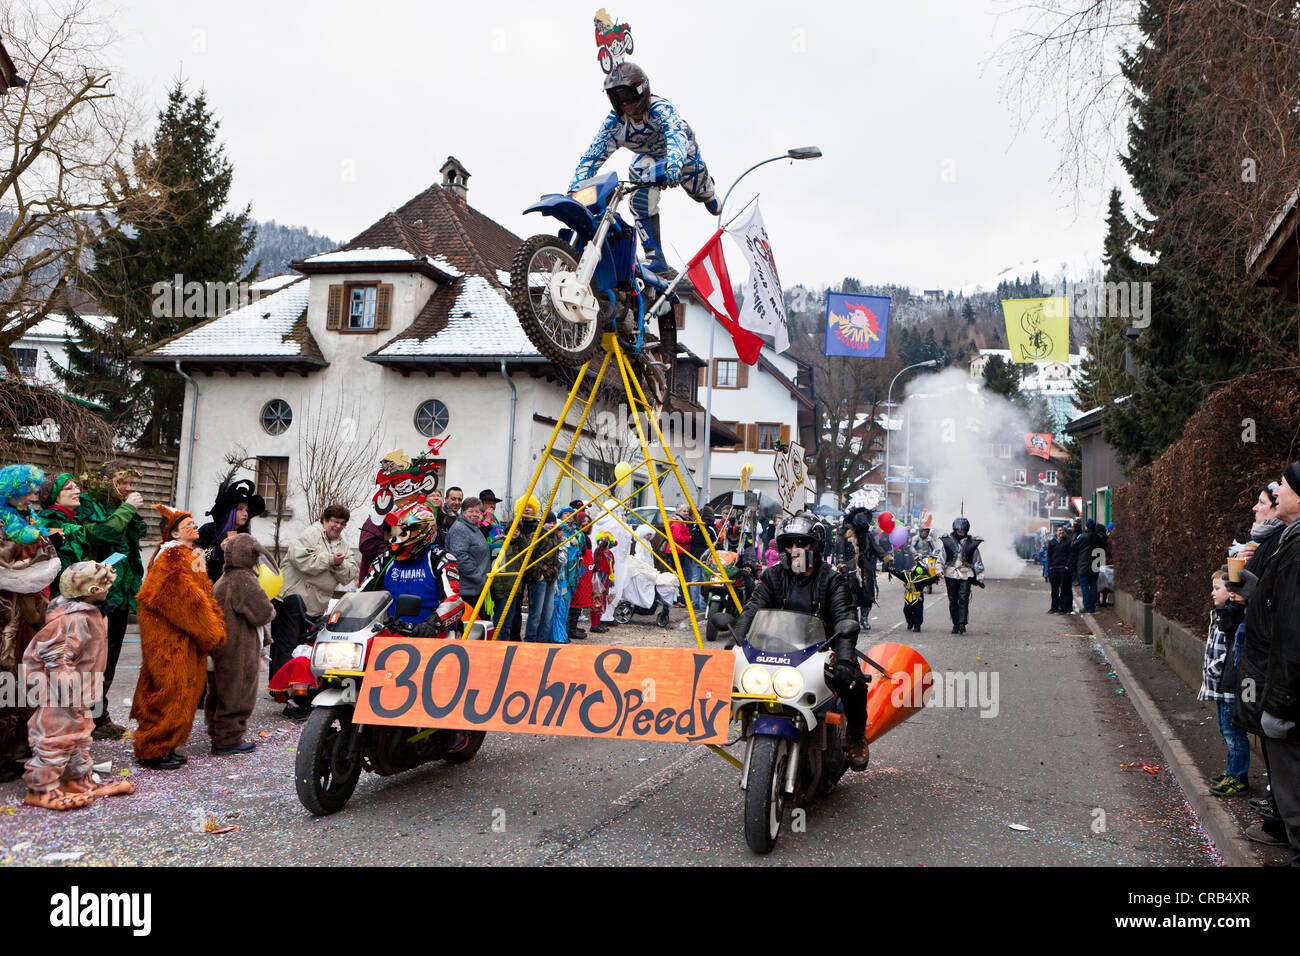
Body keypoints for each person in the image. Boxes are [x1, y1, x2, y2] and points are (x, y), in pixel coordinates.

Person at [731, 512, 869, 770]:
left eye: (802, 543)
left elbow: (844, 619)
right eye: (789, 543)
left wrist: (846, 661)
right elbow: (752, 610)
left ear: (816, 546)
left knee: (853, 683)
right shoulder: (773, 577)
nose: (794, 549)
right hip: (776, 650)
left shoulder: (832, 580)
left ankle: (856, 736)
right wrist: (735, 643)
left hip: (822, 652)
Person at [570, 61, 719, 275]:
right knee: (639, 176)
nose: (626, 104)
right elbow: (593, 155)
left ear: (641, 91)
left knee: (701, 192)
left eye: (628, 96)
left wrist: (675, 163)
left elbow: (675, 133)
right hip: (649, 158)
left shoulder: (660, 108)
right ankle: (654, 257)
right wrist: (574, 190)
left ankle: (708, 192)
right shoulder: (615, 123)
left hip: (682, 155)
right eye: (618, 99)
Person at [22, 561, 136, 810]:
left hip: (78, 689)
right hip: (59, 691)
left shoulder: (92, 613)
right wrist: (69, 693)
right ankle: (40, 789)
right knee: (56, 736)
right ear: (91, 590)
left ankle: (77, 779)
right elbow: (57, 658)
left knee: (79, 734)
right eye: (105, 586)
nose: (109, 589)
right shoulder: (74, 620)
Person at [1233, 462, 1300, 863]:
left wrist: (1280, 699)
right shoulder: (1289, 540)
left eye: (1284, 489)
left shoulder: (1294, 546)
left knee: (1293, 794)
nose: (1277, 495)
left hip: (1285, 690)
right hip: (1276, 678)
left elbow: (1291, 629)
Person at [132, 505, 226, 770]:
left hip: (183, 635)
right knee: (169, 689)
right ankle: (153, 748)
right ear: (173, 534)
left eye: (194, 523)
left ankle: (165, 745)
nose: (194, 527)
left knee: (182, 688)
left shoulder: (190, 554)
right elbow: (182, 598)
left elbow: (202, 591)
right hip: (170, 637)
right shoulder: (171, 557)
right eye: (187, 525)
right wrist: (210, 628)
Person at [0, 464, 61, 782]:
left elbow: (47, 555)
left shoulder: (30, 520)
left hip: (30, 613)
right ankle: (4, 754)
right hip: (5, 615)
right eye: (30, 490)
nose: (35, 495)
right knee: (4, 682)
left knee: (27, 681)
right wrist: (32, 560)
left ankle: (20, 747)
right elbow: (8, 564)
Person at [207, 534, 276, 755]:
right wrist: (271, 608)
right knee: (237, 693)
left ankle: (218, 733)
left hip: (221, 647)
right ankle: (229, 738)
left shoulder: (223, 579)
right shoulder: (243, 579)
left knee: (219, 692)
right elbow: (263, 613)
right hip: (239, 648)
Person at [1198, 569, 1249, 797]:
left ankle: (1238, 777)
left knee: (1234, 734)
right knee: (1226, 731)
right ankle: (1232, 771)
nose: (1212, 593)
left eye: (1217, 588)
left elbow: (1230, 653)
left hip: (1227, 688)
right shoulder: (1219, 615)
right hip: (1219, 689)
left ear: (1231, 594)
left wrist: (1212, 670)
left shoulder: (1231, 619)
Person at [381, 502, 462, 636]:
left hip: (434, 636)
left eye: (402, 533)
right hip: (393, 636)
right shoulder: (385, 560)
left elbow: (454, 600)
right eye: (392, 533)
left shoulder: (440, 558)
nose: (395, 540)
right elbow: (362, 595)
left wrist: (432, 624)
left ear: (422, 532)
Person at [282, 505, 359, 619]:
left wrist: (339, 564)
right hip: (292, 603)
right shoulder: (311, 534)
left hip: (317, 608)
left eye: (342, 523)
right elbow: (300, 560)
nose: (338, 526)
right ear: (325, 520)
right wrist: (330, 559)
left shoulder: (343, 545)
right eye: (335, 521)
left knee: (308, 638)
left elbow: (350, 574)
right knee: (288, 637)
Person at [197, 478, 266, 583]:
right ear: (231, 512)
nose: (245, 513)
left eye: (247, 510)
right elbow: (194, 556)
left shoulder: (245, 536)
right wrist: (218, 549)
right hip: (209, 586)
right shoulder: (209, 530)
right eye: (240, 509)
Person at [840, 507, 893, 630]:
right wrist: (841, 565)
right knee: (850, 596)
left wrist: (886, 558)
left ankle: (864, 618)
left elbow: (876, 548)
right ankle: (853, 620)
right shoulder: (844, 532)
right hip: (850, 568)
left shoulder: (867, 535)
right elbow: (839, 551)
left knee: (867, 595)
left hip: (865, 568)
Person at [939, 517, 984, 634]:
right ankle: (955, 623)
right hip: (951, 573)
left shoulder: (972, 543)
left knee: (963, 599)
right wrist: (939, 570)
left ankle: (962, 623)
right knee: (952, 600)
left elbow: (977, 560)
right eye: (958, 529)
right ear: (955, 529)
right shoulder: (947, 542)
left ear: (966, 529)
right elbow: (941, 558)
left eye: (962, 529)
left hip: (965, 574)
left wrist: (979, 576)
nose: (960, 531)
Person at [447, 496, 490, 614]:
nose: (475, 514)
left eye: (477, 511)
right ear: (463, 512)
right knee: (469, 626)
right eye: (471, 511)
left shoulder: (474, 528)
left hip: (476, 588)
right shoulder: (460, 529)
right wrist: (478, 577)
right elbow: (460, 557)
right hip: (467, 590)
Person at [886, 556, 943, 632]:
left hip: (918, 598)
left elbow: (931, 580)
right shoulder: (907, 576)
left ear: (919, 569)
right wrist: (892, 571)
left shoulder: (923, 579)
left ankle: (917, 626)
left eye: (916, 566)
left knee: (918, 613)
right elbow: (899, 574)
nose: (913, 567)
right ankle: (910, 623)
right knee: (906, 611)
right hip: (907, 598)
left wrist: (937, 576)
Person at [1072, 518, 1104, 613]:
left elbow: (1073, 547)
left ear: (1086, 527)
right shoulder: (1099, 538)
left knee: (1085, 586)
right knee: (1094, 585)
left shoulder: (1082, 537)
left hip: (1083, 565)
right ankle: (1092, 605)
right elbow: (1103, 550)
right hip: (1095, 565)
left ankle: (1087, 606)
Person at [1046, 525, 1074, 614]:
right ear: (1056, 532)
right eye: (1059, 530)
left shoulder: (1067, 542)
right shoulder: (1051, 543)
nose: (1061, 532)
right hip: (1054, 568)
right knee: (1054, 589)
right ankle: (1054, 607)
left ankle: (1062, 607)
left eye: (1062, 530)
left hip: (1063, 568)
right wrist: (1050, 566)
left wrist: (1067, 566)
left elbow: (1070, 555)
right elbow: (1049, 555)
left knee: (1064, 589)